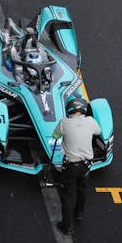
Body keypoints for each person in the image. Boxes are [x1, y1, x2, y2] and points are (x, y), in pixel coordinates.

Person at [52, 97, 101, 235]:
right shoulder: (91, 122)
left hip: (70, 165)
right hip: (86, 165)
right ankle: (79, 214)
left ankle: (66, 226)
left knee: (67, 194)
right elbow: (98, 131)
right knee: (82, 188)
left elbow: (55, 135)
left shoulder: (64, 123)